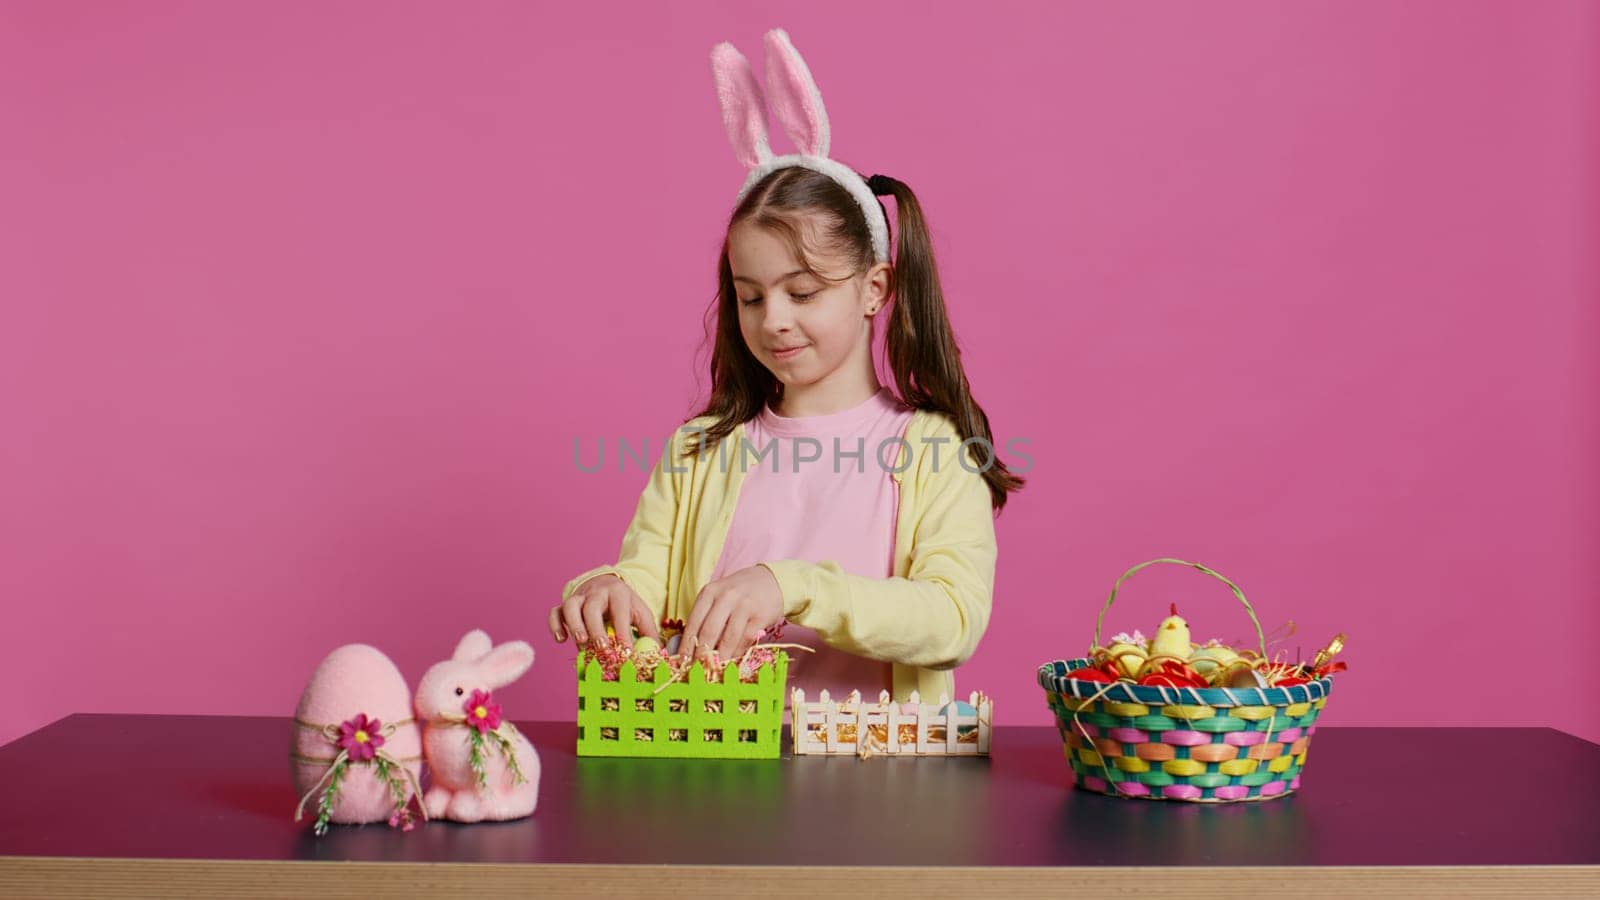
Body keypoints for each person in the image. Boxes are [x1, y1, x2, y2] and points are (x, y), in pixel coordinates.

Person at [548, 28, 1023, 704]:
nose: (772, 318)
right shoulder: (699, 451)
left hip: (880, 789)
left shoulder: (933, 450)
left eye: (802, 293)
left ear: (874, 290)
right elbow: (644, 579)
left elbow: (953, 619)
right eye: (750, 296)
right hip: (720, 773)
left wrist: (792, 584)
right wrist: (607, 592)